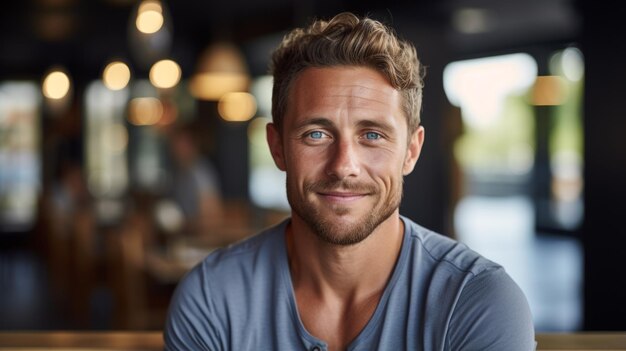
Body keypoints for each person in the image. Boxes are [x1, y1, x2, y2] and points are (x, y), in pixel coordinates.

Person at [165, 12, 535, 350]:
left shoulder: (478, 300)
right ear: (277, 148)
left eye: (372, 135)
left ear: (411, 151)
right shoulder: (213, 297)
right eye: (316, 134)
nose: (344, 166)